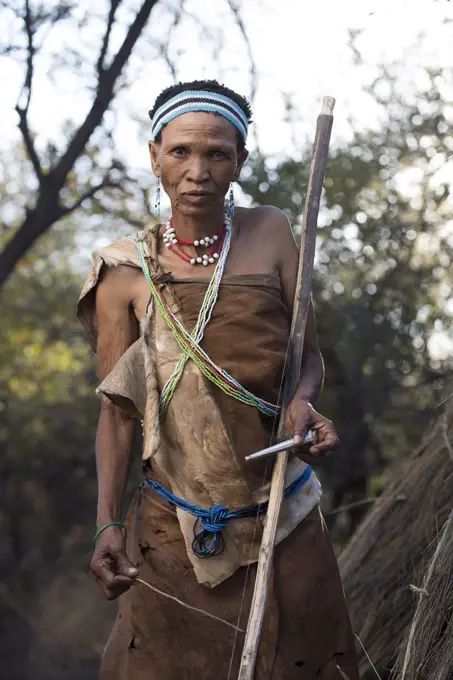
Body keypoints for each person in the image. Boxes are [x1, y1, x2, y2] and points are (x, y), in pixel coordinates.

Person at [77, 80, 359, 680]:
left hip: (280, 512)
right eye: (180, 152)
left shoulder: (273, 233)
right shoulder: (123, 272)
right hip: (171, 527)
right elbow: (117, 412)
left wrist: (303, 403)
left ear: (241, 161)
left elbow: (308, 357)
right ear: (154, 155)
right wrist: (107, 523)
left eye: (217, 154)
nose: (197, 170)